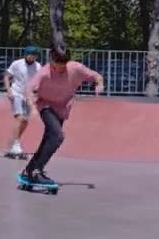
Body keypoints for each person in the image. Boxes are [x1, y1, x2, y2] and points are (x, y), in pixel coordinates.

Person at [21, 43, 104, 184]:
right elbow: (29, 89)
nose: (61, 66)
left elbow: (96, 76)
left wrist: (99, 84)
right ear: (51, 60)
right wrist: (33, 108)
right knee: (57, 136)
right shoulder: (44, 72)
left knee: (49, 139)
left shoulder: (75, 68)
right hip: (45, 105)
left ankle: (29, 170)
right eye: (58, 63)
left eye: (64, 63)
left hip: (62, 109)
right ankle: (37, 171)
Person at [2, 45, 42, 159]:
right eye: (30, 55)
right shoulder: (17, 64)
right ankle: (15, 145)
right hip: (16, 93)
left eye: (34, 55)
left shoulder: (38, 66)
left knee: (25, 121)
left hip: (28, 96)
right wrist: (9, 91)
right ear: (26, 54)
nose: (32, 57)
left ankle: (15, 142)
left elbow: (39, 81)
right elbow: (6, 76)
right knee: (19, 118)